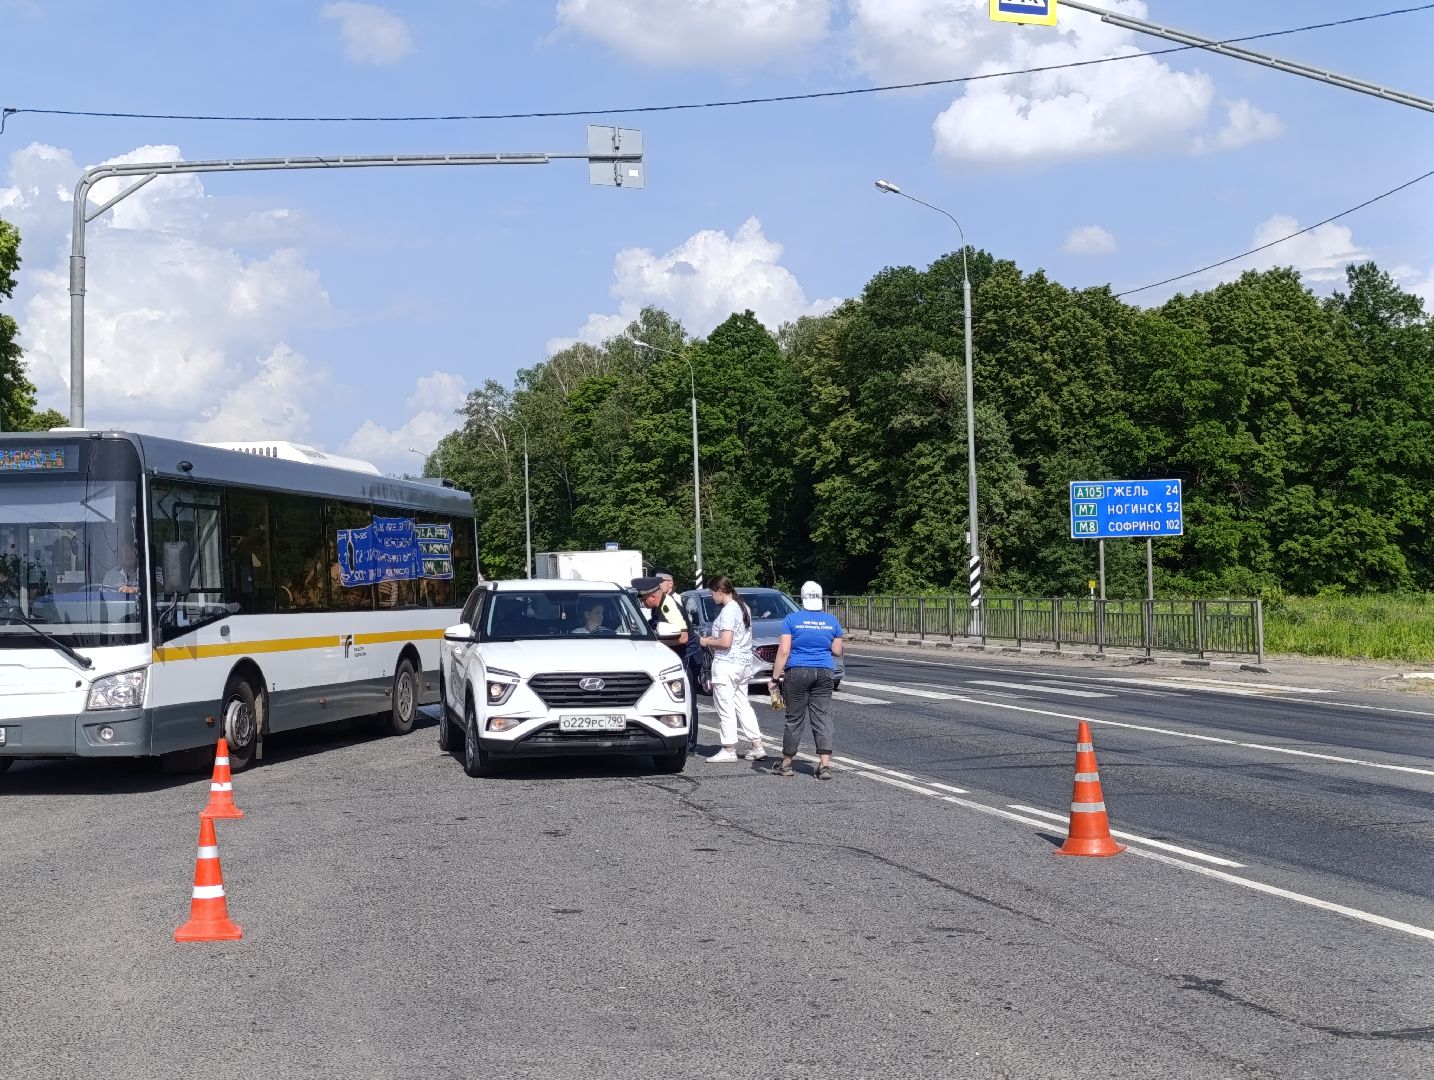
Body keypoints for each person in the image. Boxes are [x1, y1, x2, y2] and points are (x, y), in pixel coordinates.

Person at [770, 580, 844, 779]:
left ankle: (786, 764)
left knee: (794, 718)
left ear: (802, 598)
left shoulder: (791, 620)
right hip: (825, 672)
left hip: (798, 671)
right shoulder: (832, 620)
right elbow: (837, 651)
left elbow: (784, 651)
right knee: (822, 716)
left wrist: (775, 678)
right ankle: (825, 766)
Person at [698, 575, 765, 763]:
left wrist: (706, 641)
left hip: (727, 664)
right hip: (744, 663)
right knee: (742, 704)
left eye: (712, 593)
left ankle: (729, 748)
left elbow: (725, 642)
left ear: (720, 591)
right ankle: (757, 745)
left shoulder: (728, 611)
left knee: (725, 707)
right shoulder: (743, 607)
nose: (712, 597)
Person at [654, 567, 703, 751]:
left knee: (688, 698)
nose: (660, 586)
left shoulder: (671, 602)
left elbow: (682, 636)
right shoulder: (664, 602)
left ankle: (690, 741)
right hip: (680, 654)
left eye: (661, 583)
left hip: (688, 654)